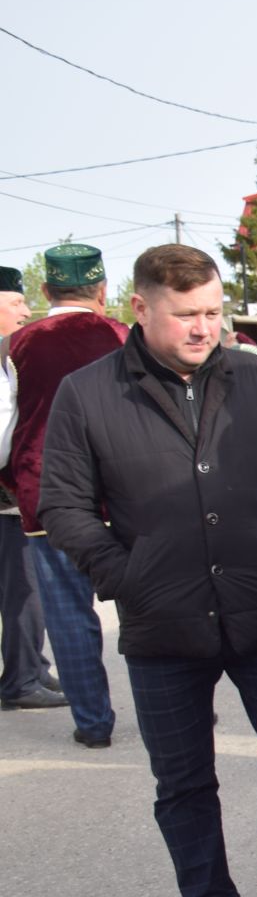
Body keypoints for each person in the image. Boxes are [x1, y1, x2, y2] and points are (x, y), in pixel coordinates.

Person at [36, 244, 257, 897]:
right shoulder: (89, 392)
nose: (204, 328)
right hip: (162, 623)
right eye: (186, 315)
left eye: (212, 312)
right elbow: (63, 504)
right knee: (184, 780)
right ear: (140, 309)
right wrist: (124, 577)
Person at [3, 243, 126, 746]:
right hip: (125, 492)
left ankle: (94, 724)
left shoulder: (16, 345)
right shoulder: (125, 336)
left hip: (47, 496)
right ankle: (185, 712)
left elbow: (6, 427)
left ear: (46, 289)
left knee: (69, 615)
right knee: (155, 604)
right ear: (101, 290)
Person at [0, 263, 63, 712]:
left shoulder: (8, 357)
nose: (25, 310)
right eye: (16, 301)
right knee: (22, 587)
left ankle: (30, 667)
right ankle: (21, 680)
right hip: (5, 494)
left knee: (25, 584)